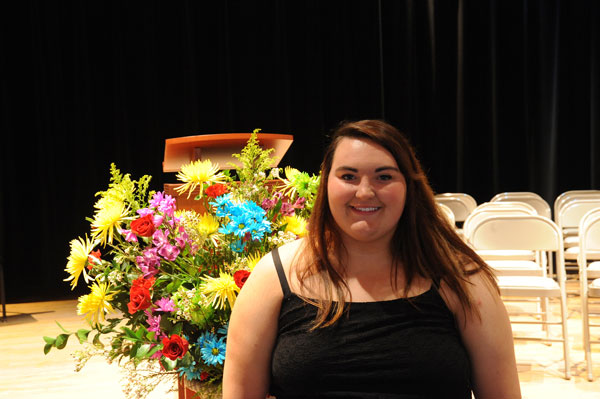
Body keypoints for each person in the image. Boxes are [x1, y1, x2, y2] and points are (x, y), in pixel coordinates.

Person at [223, 119, 521, 398]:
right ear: (327, 183)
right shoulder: (275, 276)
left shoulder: (462, 279)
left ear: (409, 186)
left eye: (384, 176)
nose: (365, 192)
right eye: (348, 176)